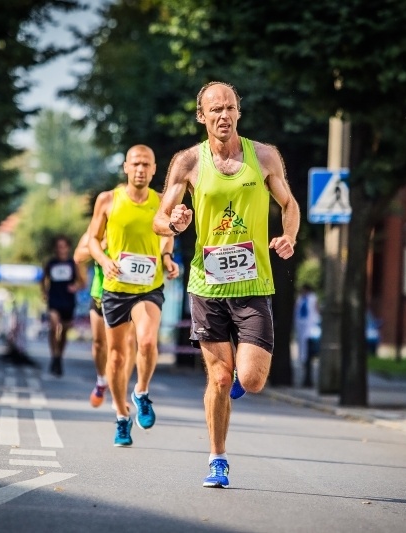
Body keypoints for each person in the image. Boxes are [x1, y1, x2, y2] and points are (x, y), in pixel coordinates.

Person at [153, 81, 300, 488]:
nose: (223, 115)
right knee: (217, 377)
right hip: (208, 284)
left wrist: (289, 236)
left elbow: (289, 204)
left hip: (253, 283)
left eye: (229, 108)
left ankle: (240, 376)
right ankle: (218, 458)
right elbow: (160, 216)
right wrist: (175, 223)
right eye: (214, 110)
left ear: (238, 112)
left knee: (251, 380)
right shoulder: (187, 161)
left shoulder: (265, 156)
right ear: (202, 116)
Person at [87, 144, 179, 447]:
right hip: (116, 288)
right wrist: (104, 261)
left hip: (148, 286)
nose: (141, 169)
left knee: (149, 340)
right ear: (126, 167)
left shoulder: (162, 201)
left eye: (146, 165)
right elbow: (93, 239)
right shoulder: (108, 200)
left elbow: (167, 238)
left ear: (154, 170)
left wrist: (167, 259)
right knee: (116, 357)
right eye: (136, 164)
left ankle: (140, 392)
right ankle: (121, 416)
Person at [73, 228, 137, 409]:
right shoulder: (98, 230)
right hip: (100, 294)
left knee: (128, 343)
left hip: (127, 294)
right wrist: (100, 246)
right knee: (100, 343)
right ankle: (102, 381)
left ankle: (120, 394)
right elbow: (78, 256)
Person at [42, 235, 84, 377]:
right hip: (54, 298)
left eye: (63, 246)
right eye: (58, 246)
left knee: (64, 331)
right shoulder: (50, 263)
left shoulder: (73, 264)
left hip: (68, 300)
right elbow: (43, 280)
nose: (61, 249)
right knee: (54, 326)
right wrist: (44, 292)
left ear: (67, 248)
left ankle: (59, 357)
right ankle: (54, 355)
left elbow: (82, 282)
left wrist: (75, 287)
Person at [293, 284, 320, 387]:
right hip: (301, 329)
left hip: (310, 330)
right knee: (302, 355)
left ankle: (308, 379)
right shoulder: (300, 299)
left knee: (308, 355)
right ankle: (305, 378)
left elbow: (316, 312)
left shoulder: (313, 299)